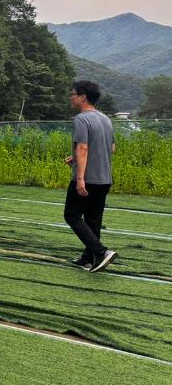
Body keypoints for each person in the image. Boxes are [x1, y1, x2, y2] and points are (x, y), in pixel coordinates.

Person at [64, 80, 117, 273]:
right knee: (93, 219)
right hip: (104, 179)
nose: (70, 97)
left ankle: (101, 252)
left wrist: (80, 178)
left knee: (71, 215)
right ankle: (88, 258)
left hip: (88, 179)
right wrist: (76, 158)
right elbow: (111, 148)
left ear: (83, 97)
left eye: (72, 94)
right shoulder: (106, 119)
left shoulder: (81, 119)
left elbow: (83, 147)